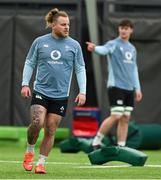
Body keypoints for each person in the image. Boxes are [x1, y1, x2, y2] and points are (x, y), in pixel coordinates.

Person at [21, 8, 86, 174]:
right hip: (41, 90)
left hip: (61, 95)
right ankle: (29, 151)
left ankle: (41, 163)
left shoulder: (74, 45)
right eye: (63, 24)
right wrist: (25, 84)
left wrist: (82, 91)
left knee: (50, 129)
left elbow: (80, 69)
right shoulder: (40, 42)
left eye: (68, 25)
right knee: (37, 122)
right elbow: (29, 62)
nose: (67, 27)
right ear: (53, 25)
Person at [86, 19, 142, 149]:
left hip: (129, 88)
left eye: (126, 28)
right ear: (119, 29)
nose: (123, 30)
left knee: (125, 118)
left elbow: (134, 70)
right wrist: (95, 48)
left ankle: (121, 146)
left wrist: (137, 88)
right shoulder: (114, 44)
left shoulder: (132, 49)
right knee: (116, 115)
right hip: (116, 86)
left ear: (131, 30)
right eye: (121, 28)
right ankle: (97, 140)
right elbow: (104, 50)